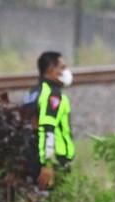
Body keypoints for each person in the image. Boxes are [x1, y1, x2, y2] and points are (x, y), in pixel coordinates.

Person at [24, 51, 75, 189]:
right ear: (51, 69)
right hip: (53, 161)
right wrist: (48, 164)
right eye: (62, 67)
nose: (66, 72)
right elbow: (48, 129)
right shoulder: (53, 94)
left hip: (32, 156)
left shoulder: (33, 92)